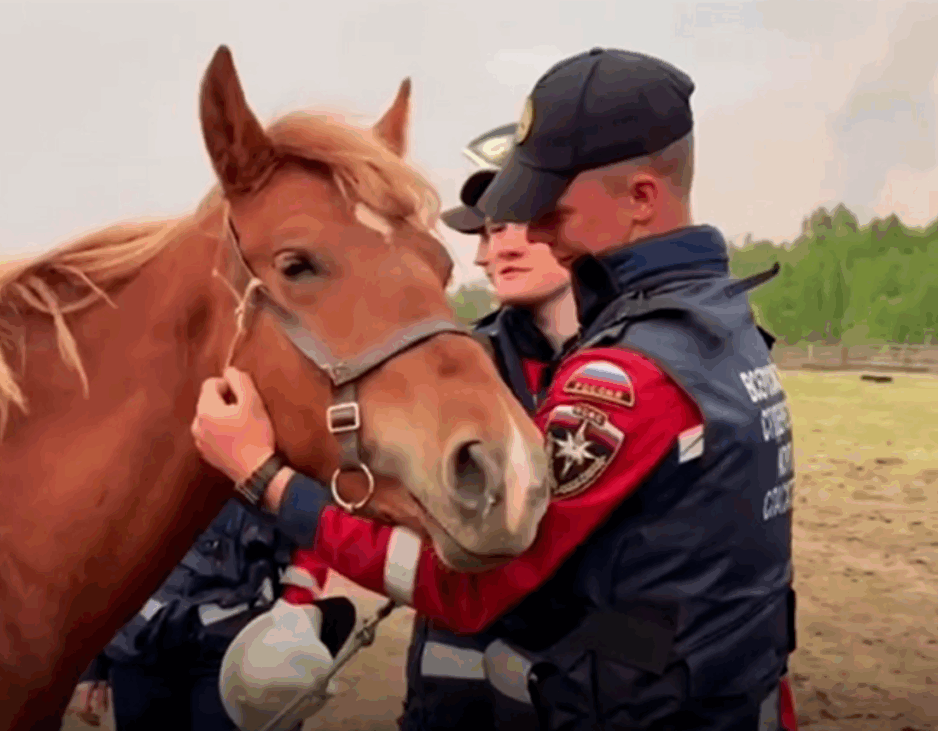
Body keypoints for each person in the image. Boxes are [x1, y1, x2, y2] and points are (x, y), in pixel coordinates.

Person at [193, 47, 799, 731]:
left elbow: (468, 590)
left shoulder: (626, 378)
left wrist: (264, 477)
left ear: (640, 199)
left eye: (550, 210)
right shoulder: (721, 325)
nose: (526, 235)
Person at [398, 165, 578, 731]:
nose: (485, 256)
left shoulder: (644, 363)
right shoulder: (459, 367)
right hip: (451, 692)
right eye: (483, 233)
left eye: (508, 225)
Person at [69, 500, 329, 731]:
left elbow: (310, 516)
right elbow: (99, 546)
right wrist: (93, 663)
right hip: (139, 645)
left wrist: (293, 620)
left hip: (235, 646)